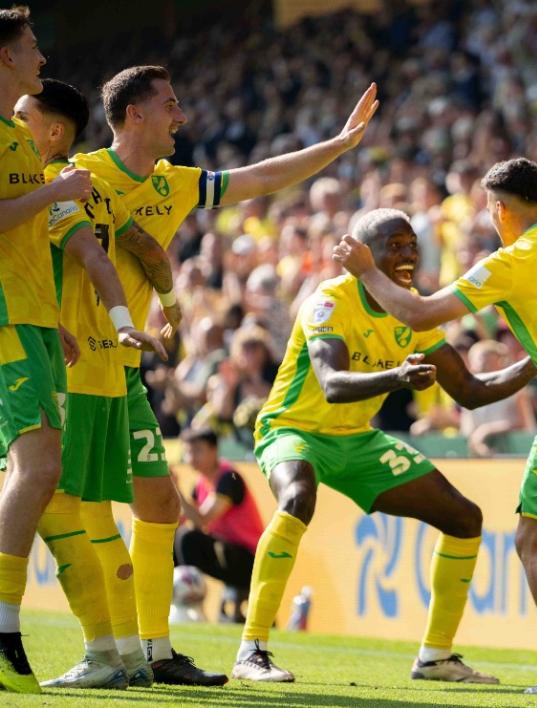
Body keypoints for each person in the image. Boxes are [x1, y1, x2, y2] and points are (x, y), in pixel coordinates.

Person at [73, 65, 378, 685]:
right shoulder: (79, 177)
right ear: (134, 115)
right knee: (77, 511)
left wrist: (339, 144)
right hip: (74, 363)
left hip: (126, 366)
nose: (181, 115)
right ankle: (103, 651)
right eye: (170, 104)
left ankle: (156, 653)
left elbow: (262, 178)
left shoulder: (175, 184)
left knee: (160, 506)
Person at [333, 158, 537, 697]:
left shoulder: (509, 262)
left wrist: (366, 271)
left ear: (499, 208)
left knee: (534, 539)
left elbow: (421, 314)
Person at [233, 208, 537, 684]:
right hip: (294, 430)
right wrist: (397, 377)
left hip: (356, 439)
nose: (407, 254)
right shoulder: (328, 302)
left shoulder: (410, 308)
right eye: (394, 245)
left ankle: (436, 657)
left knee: (464, 517)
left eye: (411, 245)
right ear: (364, 253)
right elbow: (332, 383)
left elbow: (470, 391)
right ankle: (252, 649)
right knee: (297, 497)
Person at [14, 78, 171, 689]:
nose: (11, 124)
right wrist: (160, 307)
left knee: (61, 509)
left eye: (22, 116)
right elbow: (143, 249)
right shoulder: (98, 188)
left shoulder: (55, 188)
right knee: (93, 517)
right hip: (102, 365)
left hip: (67, 370)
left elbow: (95, 258)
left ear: (53, 131)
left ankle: (105, 652)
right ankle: (128, 653)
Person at [0, 7, 93, 693]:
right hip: (5, 319)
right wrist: (59, 190)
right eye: (30, 46)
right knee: (37, 469)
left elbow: (23, 239)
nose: (40, 55)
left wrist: (52, 318)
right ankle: (2, 626)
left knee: (40, 470)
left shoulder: (15, 135)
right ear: (5, 57)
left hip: (29, 318)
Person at [175, 427, 265, 622]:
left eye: (197, 450)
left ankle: (191, 596)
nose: (191, 457)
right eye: (188, 452)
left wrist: (176, 492)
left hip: (249, 559)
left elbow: (202, 520)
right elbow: (183, 520)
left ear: (214, 450)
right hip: (226, 553)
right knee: (173, 537)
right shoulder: (199, 484)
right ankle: (173, 602)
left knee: (187, 538)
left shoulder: (229, 477)